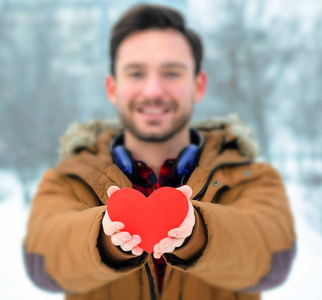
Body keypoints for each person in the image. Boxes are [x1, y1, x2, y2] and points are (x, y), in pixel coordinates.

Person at [23, 4, 296, 300]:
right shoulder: (69, 178)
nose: (153, 90)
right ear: (113, 88)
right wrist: (105, 238)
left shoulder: (249, 176)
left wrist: (197, 232)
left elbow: (273, 258)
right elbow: (43, 262)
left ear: (198, 85)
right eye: (136, 73)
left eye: (171, 73)